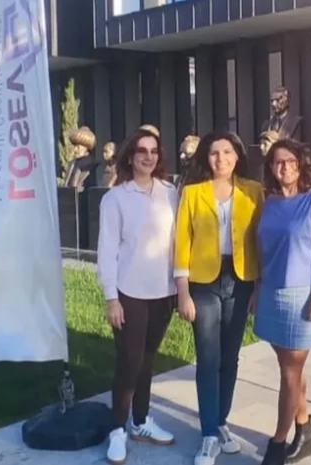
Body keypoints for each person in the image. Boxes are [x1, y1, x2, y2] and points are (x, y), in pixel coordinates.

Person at [174, 131, 264, 465]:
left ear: (237, 156)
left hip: (240, 281)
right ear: (206, 158)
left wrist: (259, 287)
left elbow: (260, 241)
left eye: (227, 152)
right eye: (214, 153)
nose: (221, 159)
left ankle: (220, 421)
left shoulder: (253, 191)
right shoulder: (193, 192)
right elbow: (181, 242)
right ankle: (209, 434)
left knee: (231, 356)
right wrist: (183, 291)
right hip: (203, 282)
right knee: (208, 357)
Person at [254, 139, 311, 465]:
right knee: (289, 368)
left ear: (301, 164)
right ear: (271, 168)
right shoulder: (269, 204)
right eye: (278, 162)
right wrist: (258, 288)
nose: (285, 167)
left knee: (290, 373)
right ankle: (304, 427)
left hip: (302, 297)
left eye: (291, 161)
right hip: (271, 293)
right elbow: (262, 249)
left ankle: (277, 443)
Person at [97, 128, 178, 465]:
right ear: (130, 157)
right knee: (129, 362)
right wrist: (111, 298)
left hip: (164, 293)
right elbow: (107, 251)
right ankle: (118, 428)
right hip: (129, 293)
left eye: (154, 151)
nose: (148, 156)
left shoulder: (171, 193)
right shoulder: (115, 198)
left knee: (147, 360)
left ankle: (141, 421)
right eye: (142, 151)